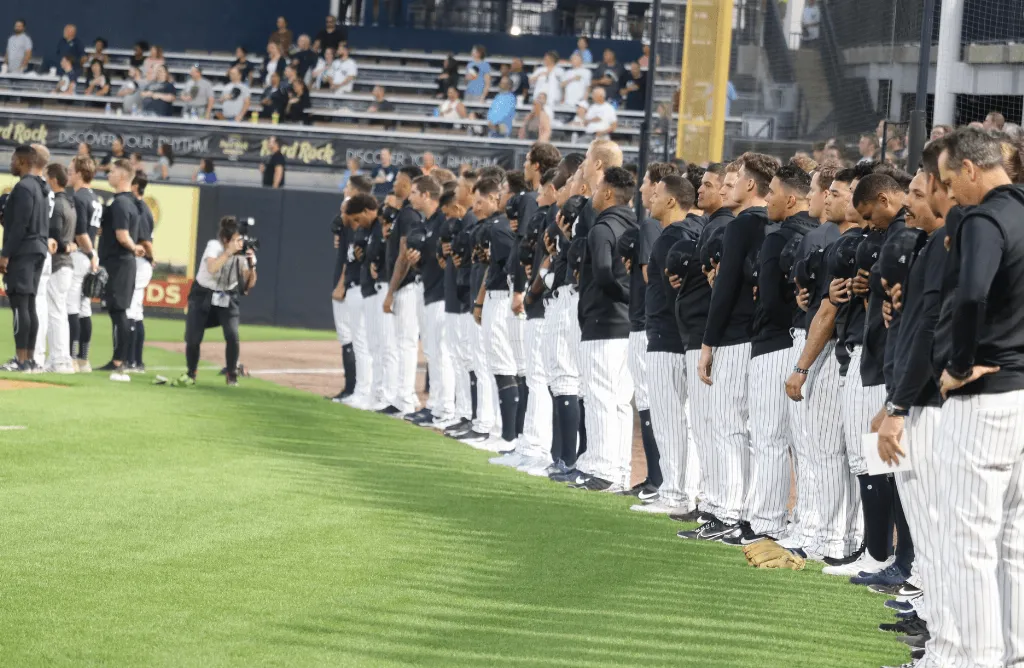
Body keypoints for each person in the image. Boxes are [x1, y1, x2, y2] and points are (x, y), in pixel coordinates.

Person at [932, 126, 1024, 667]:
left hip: (987, 396)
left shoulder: (986, 218)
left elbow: (970, 294)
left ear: (970, 169)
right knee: (1014, 540)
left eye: (949, 180)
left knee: (969, 541)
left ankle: (981, 661)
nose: (951, 192)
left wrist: (958, 365)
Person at [686, 152, 778, 541]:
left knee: (729, 427)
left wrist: (708, 344)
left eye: (733, 179)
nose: (728, 185)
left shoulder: (742, 225)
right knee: (755, 433)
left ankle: (731, 511)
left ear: (750, 184)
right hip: (761, 337)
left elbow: (723, 291)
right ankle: (743, 512)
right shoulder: (774, 223)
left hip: (736, 338)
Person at [567, 166, 638, 491]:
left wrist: (623, 297)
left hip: (602, 320)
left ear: (608, 193)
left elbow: (605, 275)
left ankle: (603, 469)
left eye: (597, 189)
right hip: (626, 323)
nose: (593, 194)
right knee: (619, 400)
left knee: (600, 398)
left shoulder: (601, 228)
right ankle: (618, 470)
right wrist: (632, 300)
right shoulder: (635, 225)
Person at [177, 216, 257, 386]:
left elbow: (248, 286)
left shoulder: (243, 252)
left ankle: (231, 375)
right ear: (225, 239)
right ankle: (191, 373)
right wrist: (229, 252)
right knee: (193, 338)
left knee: (232, 335)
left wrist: (251, 265)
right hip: (203, 295)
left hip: (228, 295)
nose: (239, 243)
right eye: (236, 240)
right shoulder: (214, 246)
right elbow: (212, 268)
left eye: (240, 240)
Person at [0, 146, 49, 372]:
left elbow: (19, 225)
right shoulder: (40, 188)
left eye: (13, 159)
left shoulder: (23, 187)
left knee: (20, 305)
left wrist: (5, 254)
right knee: (29, 305)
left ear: (21, 161)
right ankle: (29, 359)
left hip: (23, 250)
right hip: (38, 248)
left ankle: (21, 360)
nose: (10, 163)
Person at [96, 159, 143, 382]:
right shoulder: (126, 202)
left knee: (119, 311)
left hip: (120, 263)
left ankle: (119, 360)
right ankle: (119, 359)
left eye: (113, 171)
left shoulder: (121, 204)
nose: (109, 174)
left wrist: (134, 248)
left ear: (123, 176)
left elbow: (122, 235)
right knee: (118, 311)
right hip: (119, 262)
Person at [331, 189, 378, 406]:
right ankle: (361, 391)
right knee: (361, 342)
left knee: (366, 342)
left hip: (362, 286)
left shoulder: (367, 229)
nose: (348, 219)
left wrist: (341, 284)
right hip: (356, 286)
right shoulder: (354, 231)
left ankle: (366, 391)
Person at [42, 162, 76, 374]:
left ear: (53, 179)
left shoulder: (56, 203)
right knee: (60, 313)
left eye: (47, 177)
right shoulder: (70, 203)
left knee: (54, 313)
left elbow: (53, 238)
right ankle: (62, 358)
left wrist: (64, 245)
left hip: (57, 264)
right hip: (67, 265)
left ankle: (58, 360)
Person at [67, 155, 100, 372]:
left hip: (81, 255)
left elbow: (80, 234)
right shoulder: (94, 197)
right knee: (84, 308)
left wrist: (90, 253)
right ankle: (83, 359)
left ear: (79, 172)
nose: (69, 173)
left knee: (71, 307)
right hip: (88, 256)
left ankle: (70, 358)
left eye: (71, 170)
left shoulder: (78, 197)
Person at [124, 172, 155, 373]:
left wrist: (151, 258)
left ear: (135, 187)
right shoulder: (141, 207)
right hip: (140, 261)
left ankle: (132, 361)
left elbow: (145, 240)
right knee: (136, 312)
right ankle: (136, 361)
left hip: (140, 261)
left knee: (132, 312)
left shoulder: (140, 208)